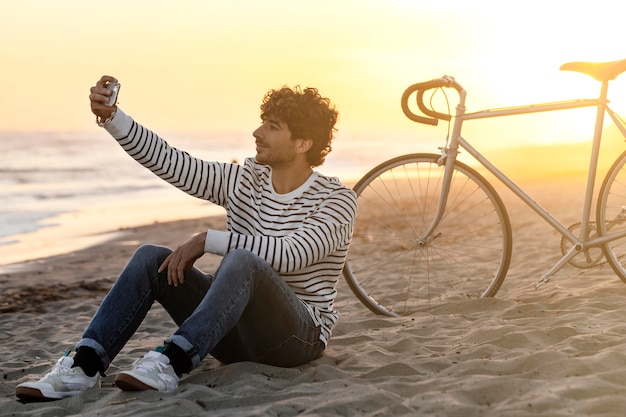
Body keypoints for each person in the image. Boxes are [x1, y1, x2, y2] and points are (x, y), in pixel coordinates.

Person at [15, 76, 357, 402]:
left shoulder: (337, 200)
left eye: (272, 126)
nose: (257, 132)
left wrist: (208, 239)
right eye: (262, 121)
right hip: (229, 335)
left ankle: (173, 360)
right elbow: (172, 163)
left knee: (243, 261)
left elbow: (290, 255)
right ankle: (84, 364)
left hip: (294, 340)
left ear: (303, 143)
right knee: (151, 257)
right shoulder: (243, 181)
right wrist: (114, 118)